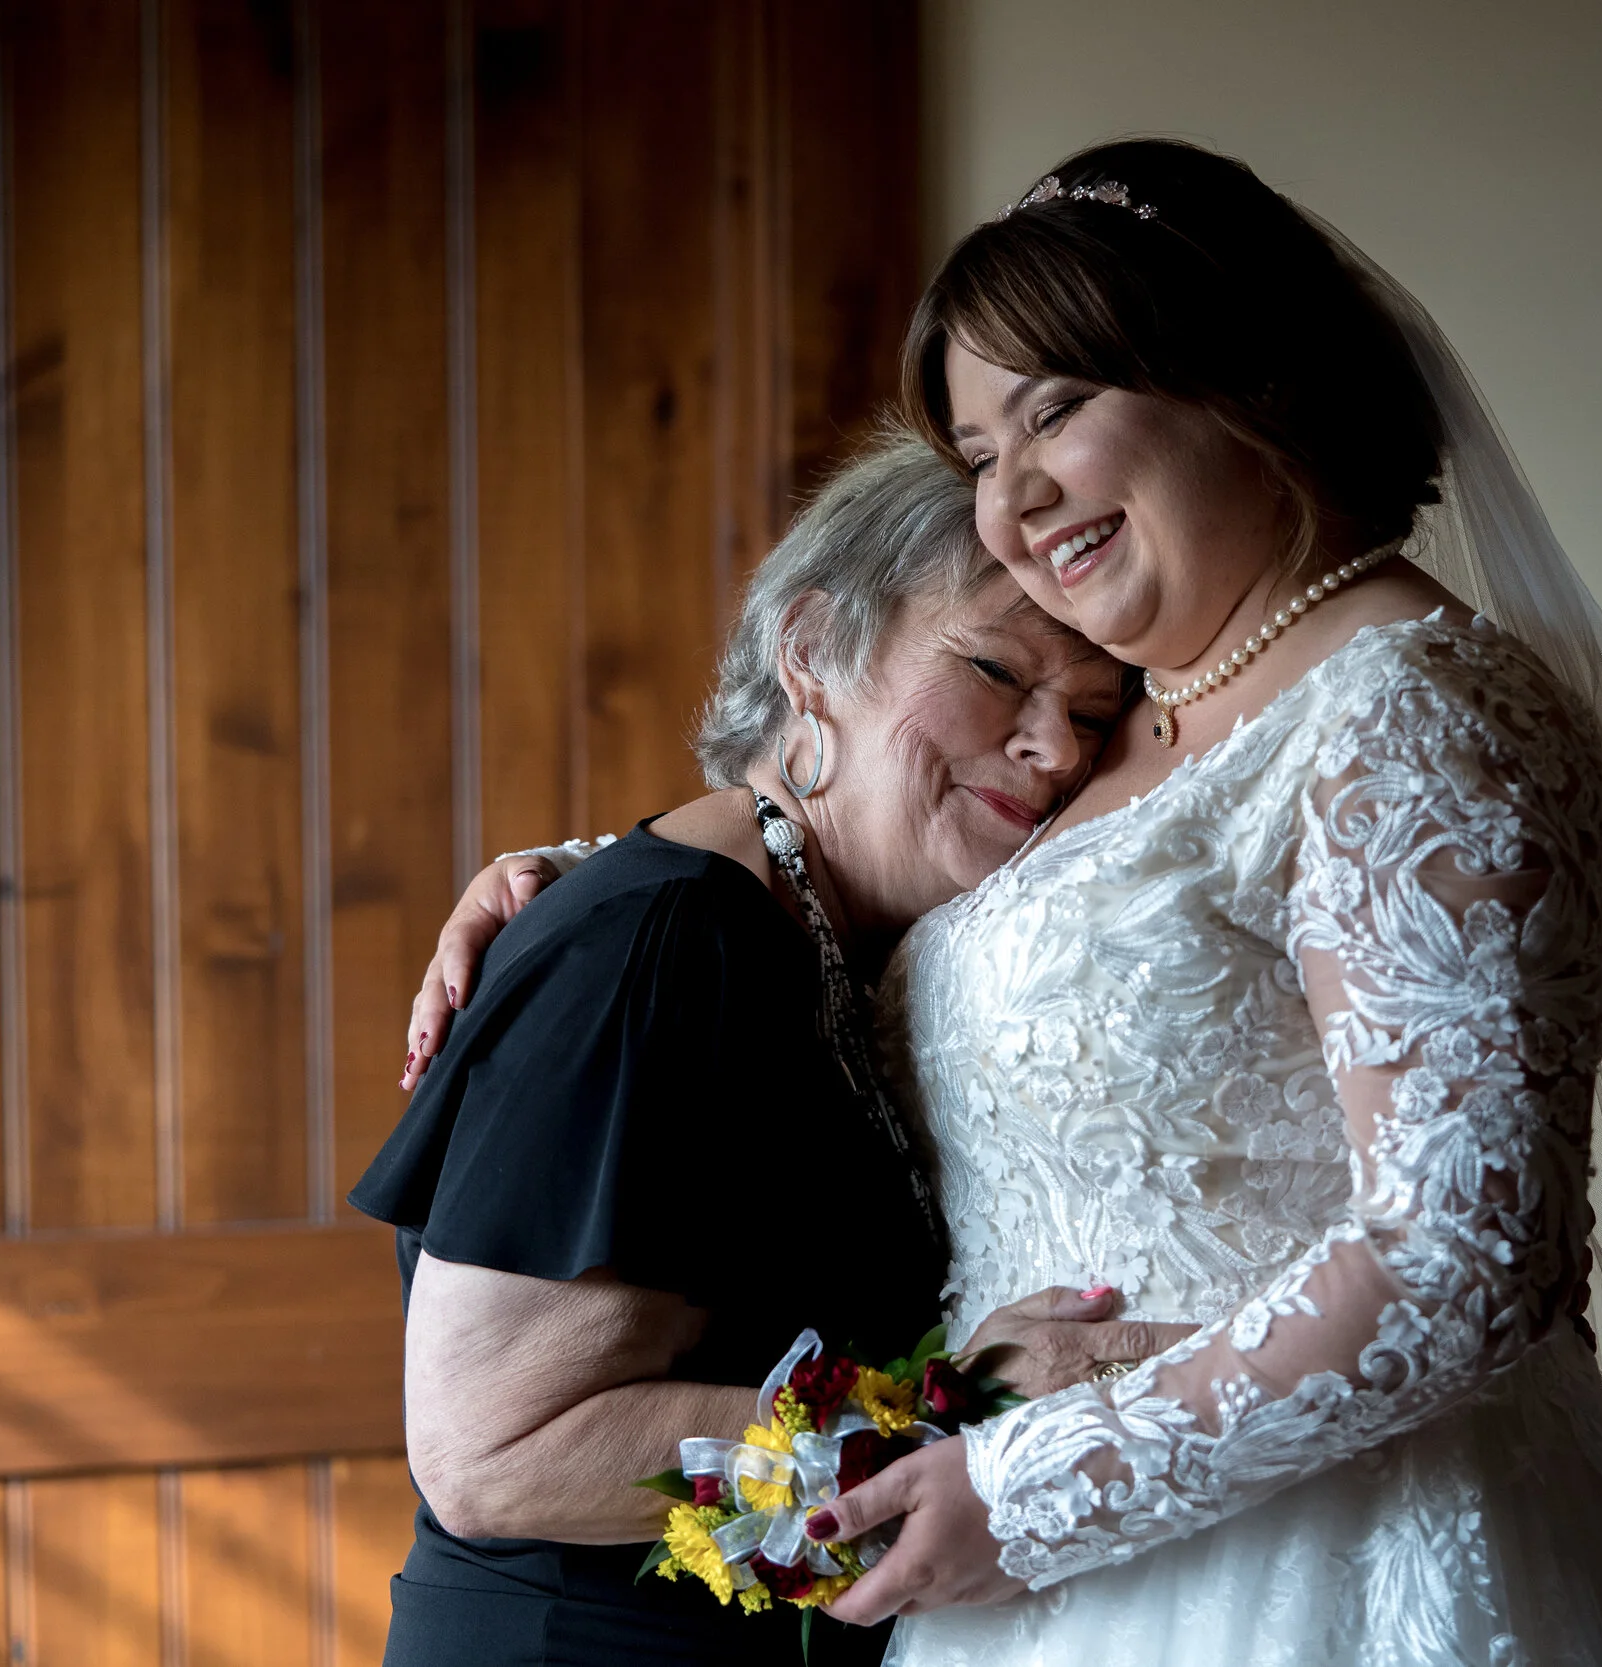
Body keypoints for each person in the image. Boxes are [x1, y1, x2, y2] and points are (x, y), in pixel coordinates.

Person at [409, 142, 1602, 1665]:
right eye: (985, 453)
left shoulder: (1414, 711)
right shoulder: (1156, 718)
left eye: (1055, 410)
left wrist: (1035, 1488)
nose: (1017, 495)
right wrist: (616, 886)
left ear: (1246, 377)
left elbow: (1469, 1258)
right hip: (1036, 1582)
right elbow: (929, 925)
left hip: (1323, 1563)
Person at [351, 432, 1153, 1667]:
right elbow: (490, 1453)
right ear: (814, 650)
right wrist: (954, 1412)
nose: (1050, 749)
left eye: (1091, 713)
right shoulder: (668, 941)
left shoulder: (813, 932)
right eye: (996, 669)